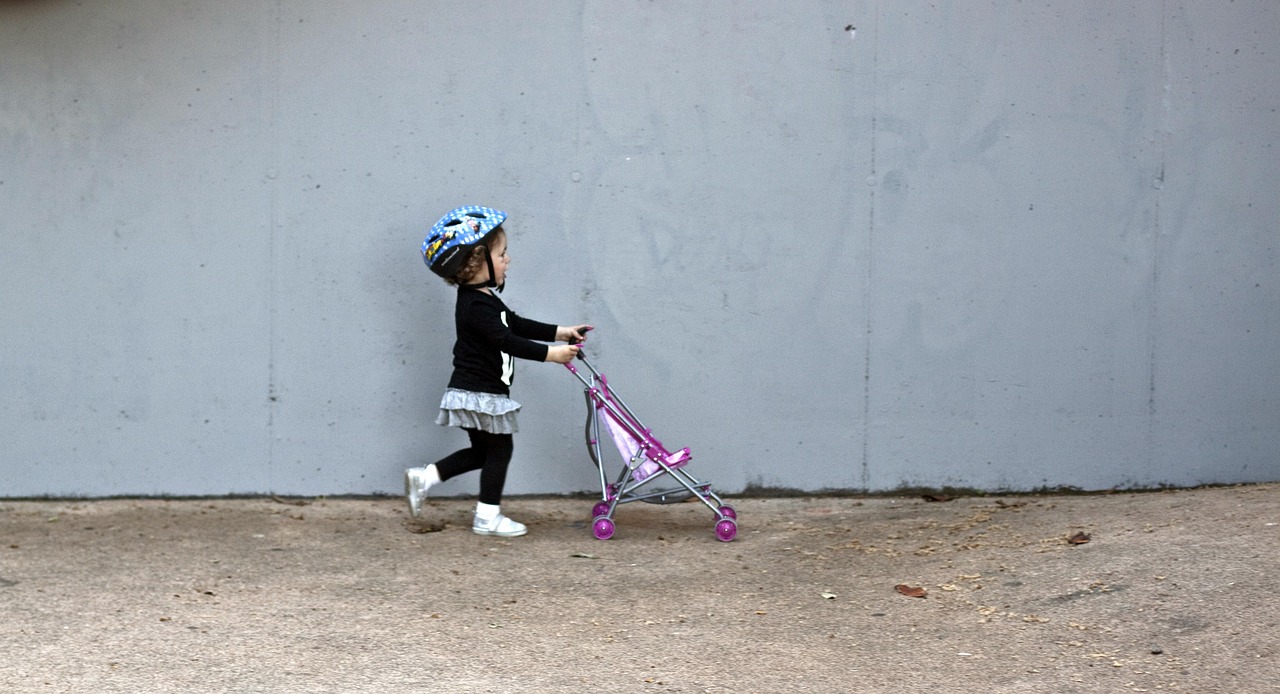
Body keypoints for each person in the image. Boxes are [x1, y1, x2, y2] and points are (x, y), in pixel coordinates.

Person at [404, 205, 590, 537]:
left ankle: (426, 477)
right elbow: (507, 340)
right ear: (476, 262)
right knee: (500, 449)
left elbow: (514, 323)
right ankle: (487, 517)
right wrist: (553, 355)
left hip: (479, 388)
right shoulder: (474, 306)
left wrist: (560, 331)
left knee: (483, 451)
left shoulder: (483, 298)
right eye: (502, 253)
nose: (508, 259)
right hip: (479, 390)